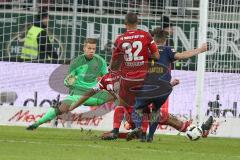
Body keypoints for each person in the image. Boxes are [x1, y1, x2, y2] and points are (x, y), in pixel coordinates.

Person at [126, 28, 212, 142]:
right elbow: (182, 55)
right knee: (156, 111)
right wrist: (200, 49)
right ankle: (150, 136)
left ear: (152, 39)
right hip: (163, 89)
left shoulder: (145, 50)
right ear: (165, 41)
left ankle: (138, 129)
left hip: (147, 88)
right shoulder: (168, 50)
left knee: (138, 108)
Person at [26, 38, 114, 130]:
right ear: (84, 48)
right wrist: (68, 81)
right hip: (78, 95)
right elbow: (68, 81)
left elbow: (107, 77)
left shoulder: (100, 61)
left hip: (94, 95)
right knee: (60, 108)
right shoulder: (76, 62)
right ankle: (36, 124)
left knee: (120, 96)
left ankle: (124, 125)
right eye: (89, 48)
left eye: (93, 49)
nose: (91, 51)